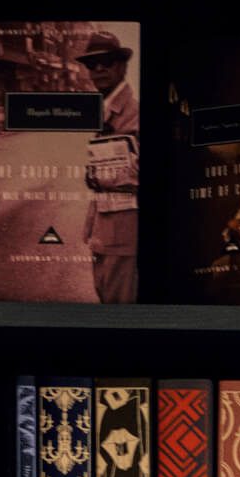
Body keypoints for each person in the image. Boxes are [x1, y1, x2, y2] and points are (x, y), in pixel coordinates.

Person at [76, 31, 139, 303]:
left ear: (122, 65)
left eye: (108, 61)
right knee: (106, 295)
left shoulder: (134, 112)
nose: (99, 69)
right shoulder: (104, 108)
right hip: (105, 229)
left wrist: (100, 175)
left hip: (123, 232)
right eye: (92, 64)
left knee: (119, 307)